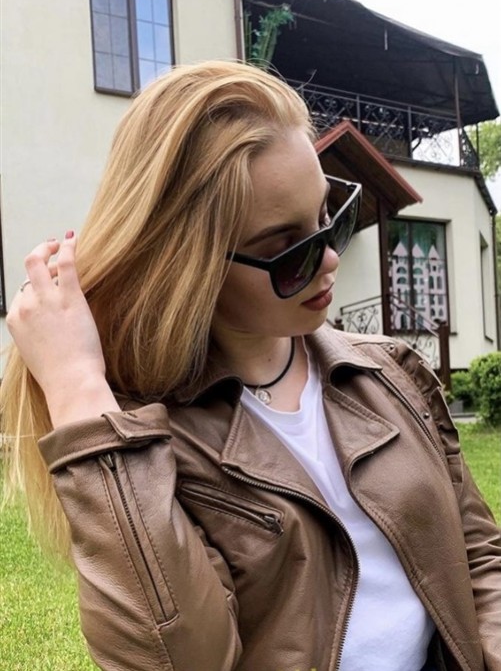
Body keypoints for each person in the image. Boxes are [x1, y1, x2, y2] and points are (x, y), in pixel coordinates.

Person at [2, 60, 500, 671]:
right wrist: (77, 390)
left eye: (330, 218)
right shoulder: (146, 446)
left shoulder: (390, 374)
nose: (329, 261)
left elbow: (479, 560)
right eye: (288, 250)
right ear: (190, 262)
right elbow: (179, 658)